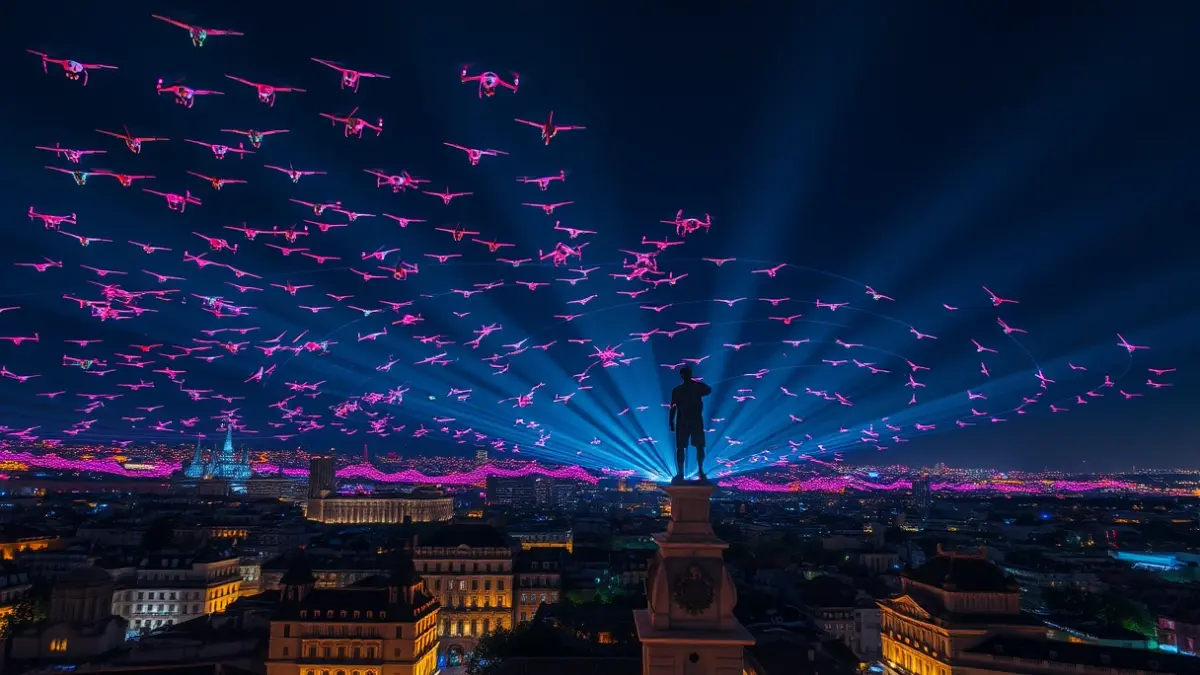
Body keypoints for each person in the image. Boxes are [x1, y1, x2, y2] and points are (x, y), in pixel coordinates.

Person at [669, 366, 712, 482]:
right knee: (684, 447)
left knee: (697, 446)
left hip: (691, 420)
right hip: (688, 420)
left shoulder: (680, 389)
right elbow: (673, 407)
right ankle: (686, 472)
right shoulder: (681, 390)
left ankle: (697, 471)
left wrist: (671, 421)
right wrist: (671, 421)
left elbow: (708, 389)